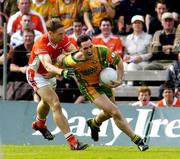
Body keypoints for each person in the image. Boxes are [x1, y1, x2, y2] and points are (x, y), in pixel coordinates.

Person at [59, 34, 149, 151]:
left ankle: (94, 123)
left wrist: (120, 79)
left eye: (90, 46)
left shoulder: (102, 50)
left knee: (109, 112)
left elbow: (118, 61)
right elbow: (60, 60)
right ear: (79, 49)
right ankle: (138, 140)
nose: (89, 50)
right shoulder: (73, 60)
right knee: (115, 111)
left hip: (105, 83)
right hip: (90, 87)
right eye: (85, 48)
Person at [26, 18, 88, 150]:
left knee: (46, 101)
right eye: (60, 34)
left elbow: (75, 53)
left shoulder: (62, 38)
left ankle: (39, 124)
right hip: (36, 74)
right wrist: (61, 71)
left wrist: (64, 59)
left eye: (63, 33)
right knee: (55, 103)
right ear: (50, 33)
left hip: (51, 73)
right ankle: (73, 142)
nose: (63, 36)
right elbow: (47, 65)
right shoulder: (40, 43)